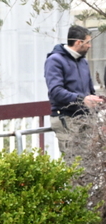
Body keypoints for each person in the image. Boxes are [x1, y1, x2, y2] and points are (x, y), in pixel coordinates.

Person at [44, 25, 104, 161]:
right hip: (67, 118)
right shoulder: (55, 60)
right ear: (78, 42)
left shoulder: (83, 62)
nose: (90, 46)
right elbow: (55, 91)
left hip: (87, 118)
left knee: (90, 161)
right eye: (88, 42)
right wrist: (82, 100)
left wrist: (94, 103)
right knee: (75, 164)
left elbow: (89, 90)